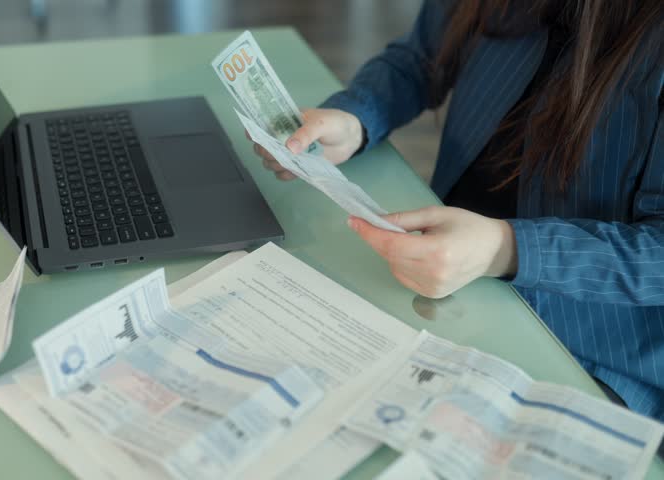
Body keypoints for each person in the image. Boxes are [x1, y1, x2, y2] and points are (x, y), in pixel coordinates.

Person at [249, 0, 664, 421]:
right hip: (444, 279)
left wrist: (506, 249)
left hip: (593, 349)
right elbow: (422, 58)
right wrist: (356, 117)